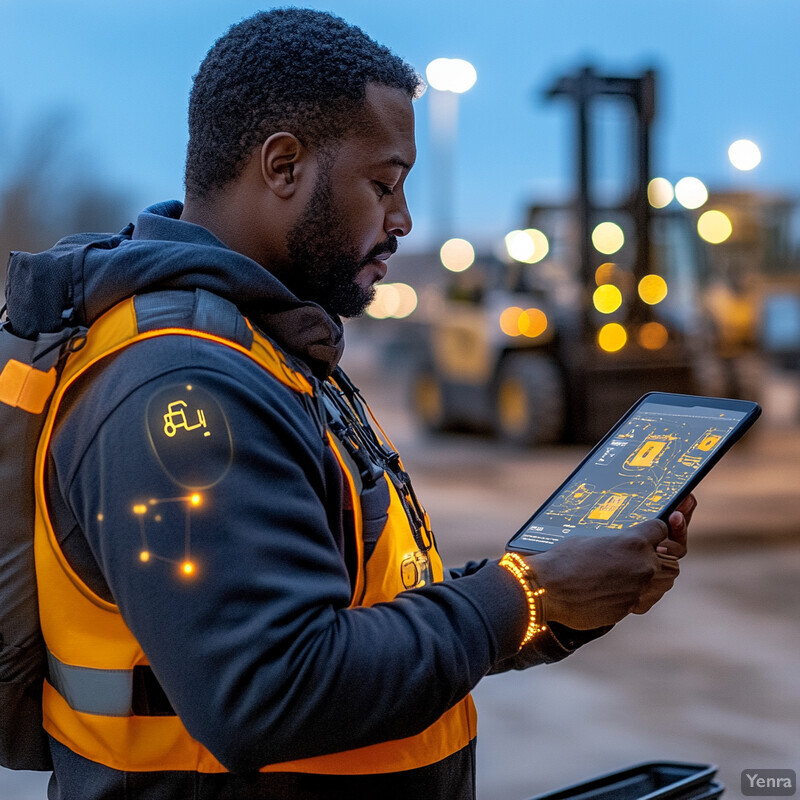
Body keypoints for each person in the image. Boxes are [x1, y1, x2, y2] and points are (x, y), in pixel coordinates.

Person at [6, 8, 694, 799]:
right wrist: (524, 593)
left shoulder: (271, 353)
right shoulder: (181, 384)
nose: (402, 220)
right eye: (384, 183)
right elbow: (271, 688)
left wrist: (559, 594)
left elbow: (378, 612)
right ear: (284, 165)